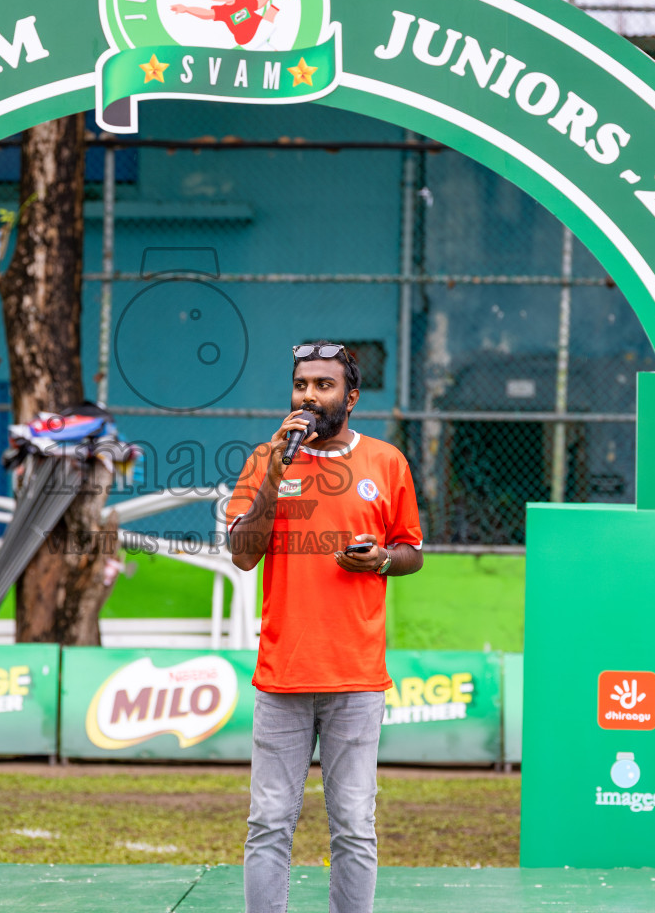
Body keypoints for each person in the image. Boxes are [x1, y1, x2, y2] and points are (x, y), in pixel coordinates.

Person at [225, 341, 424, 913]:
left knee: (355, 825)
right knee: (268, 823)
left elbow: (411, 551)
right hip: (282, 675)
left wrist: (380, 560)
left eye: (323, 385)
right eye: (301, 385)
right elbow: (243, 554)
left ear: (351, 397)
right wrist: (273, 475)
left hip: (356, 678)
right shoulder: (266, 458)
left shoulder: (387, 462)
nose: (308, 396)